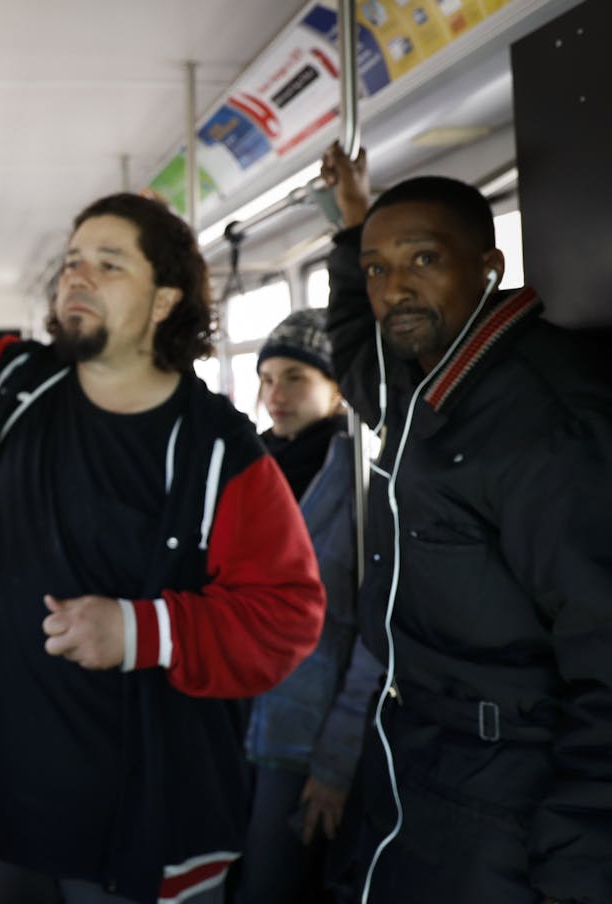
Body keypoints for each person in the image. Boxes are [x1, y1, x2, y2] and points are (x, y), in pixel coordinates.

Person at [0, 192, 328, 903]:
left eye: (109, 264)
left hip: (136, 827)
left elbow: (287, 615)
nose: (77, 277)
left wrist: (145, 630)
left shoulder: (215, 448)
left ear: (166, 298)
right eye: (72, 261)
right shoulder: (10, 384)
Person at [320, 142, 612, 902]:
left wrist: (583, 874)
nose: (394, 288)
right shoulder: (427, 385)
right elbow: (350, 343)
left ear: (489, 266)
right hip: (416, 756)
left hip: (511, 791)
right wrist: (350, 228)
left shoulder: (553, 425)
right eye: (377, 270)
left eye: (423, 259)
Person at [237, 309, 381, 904]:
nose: (275, 394)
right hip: (228, 719)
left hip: (304, 738)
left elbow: (373, 637)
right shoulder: (244, 467)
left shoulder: (358, 488)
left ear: (336, 386)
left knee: (269, 889)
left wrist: (337, 760)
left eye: (295, 376)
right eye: (267, 378)